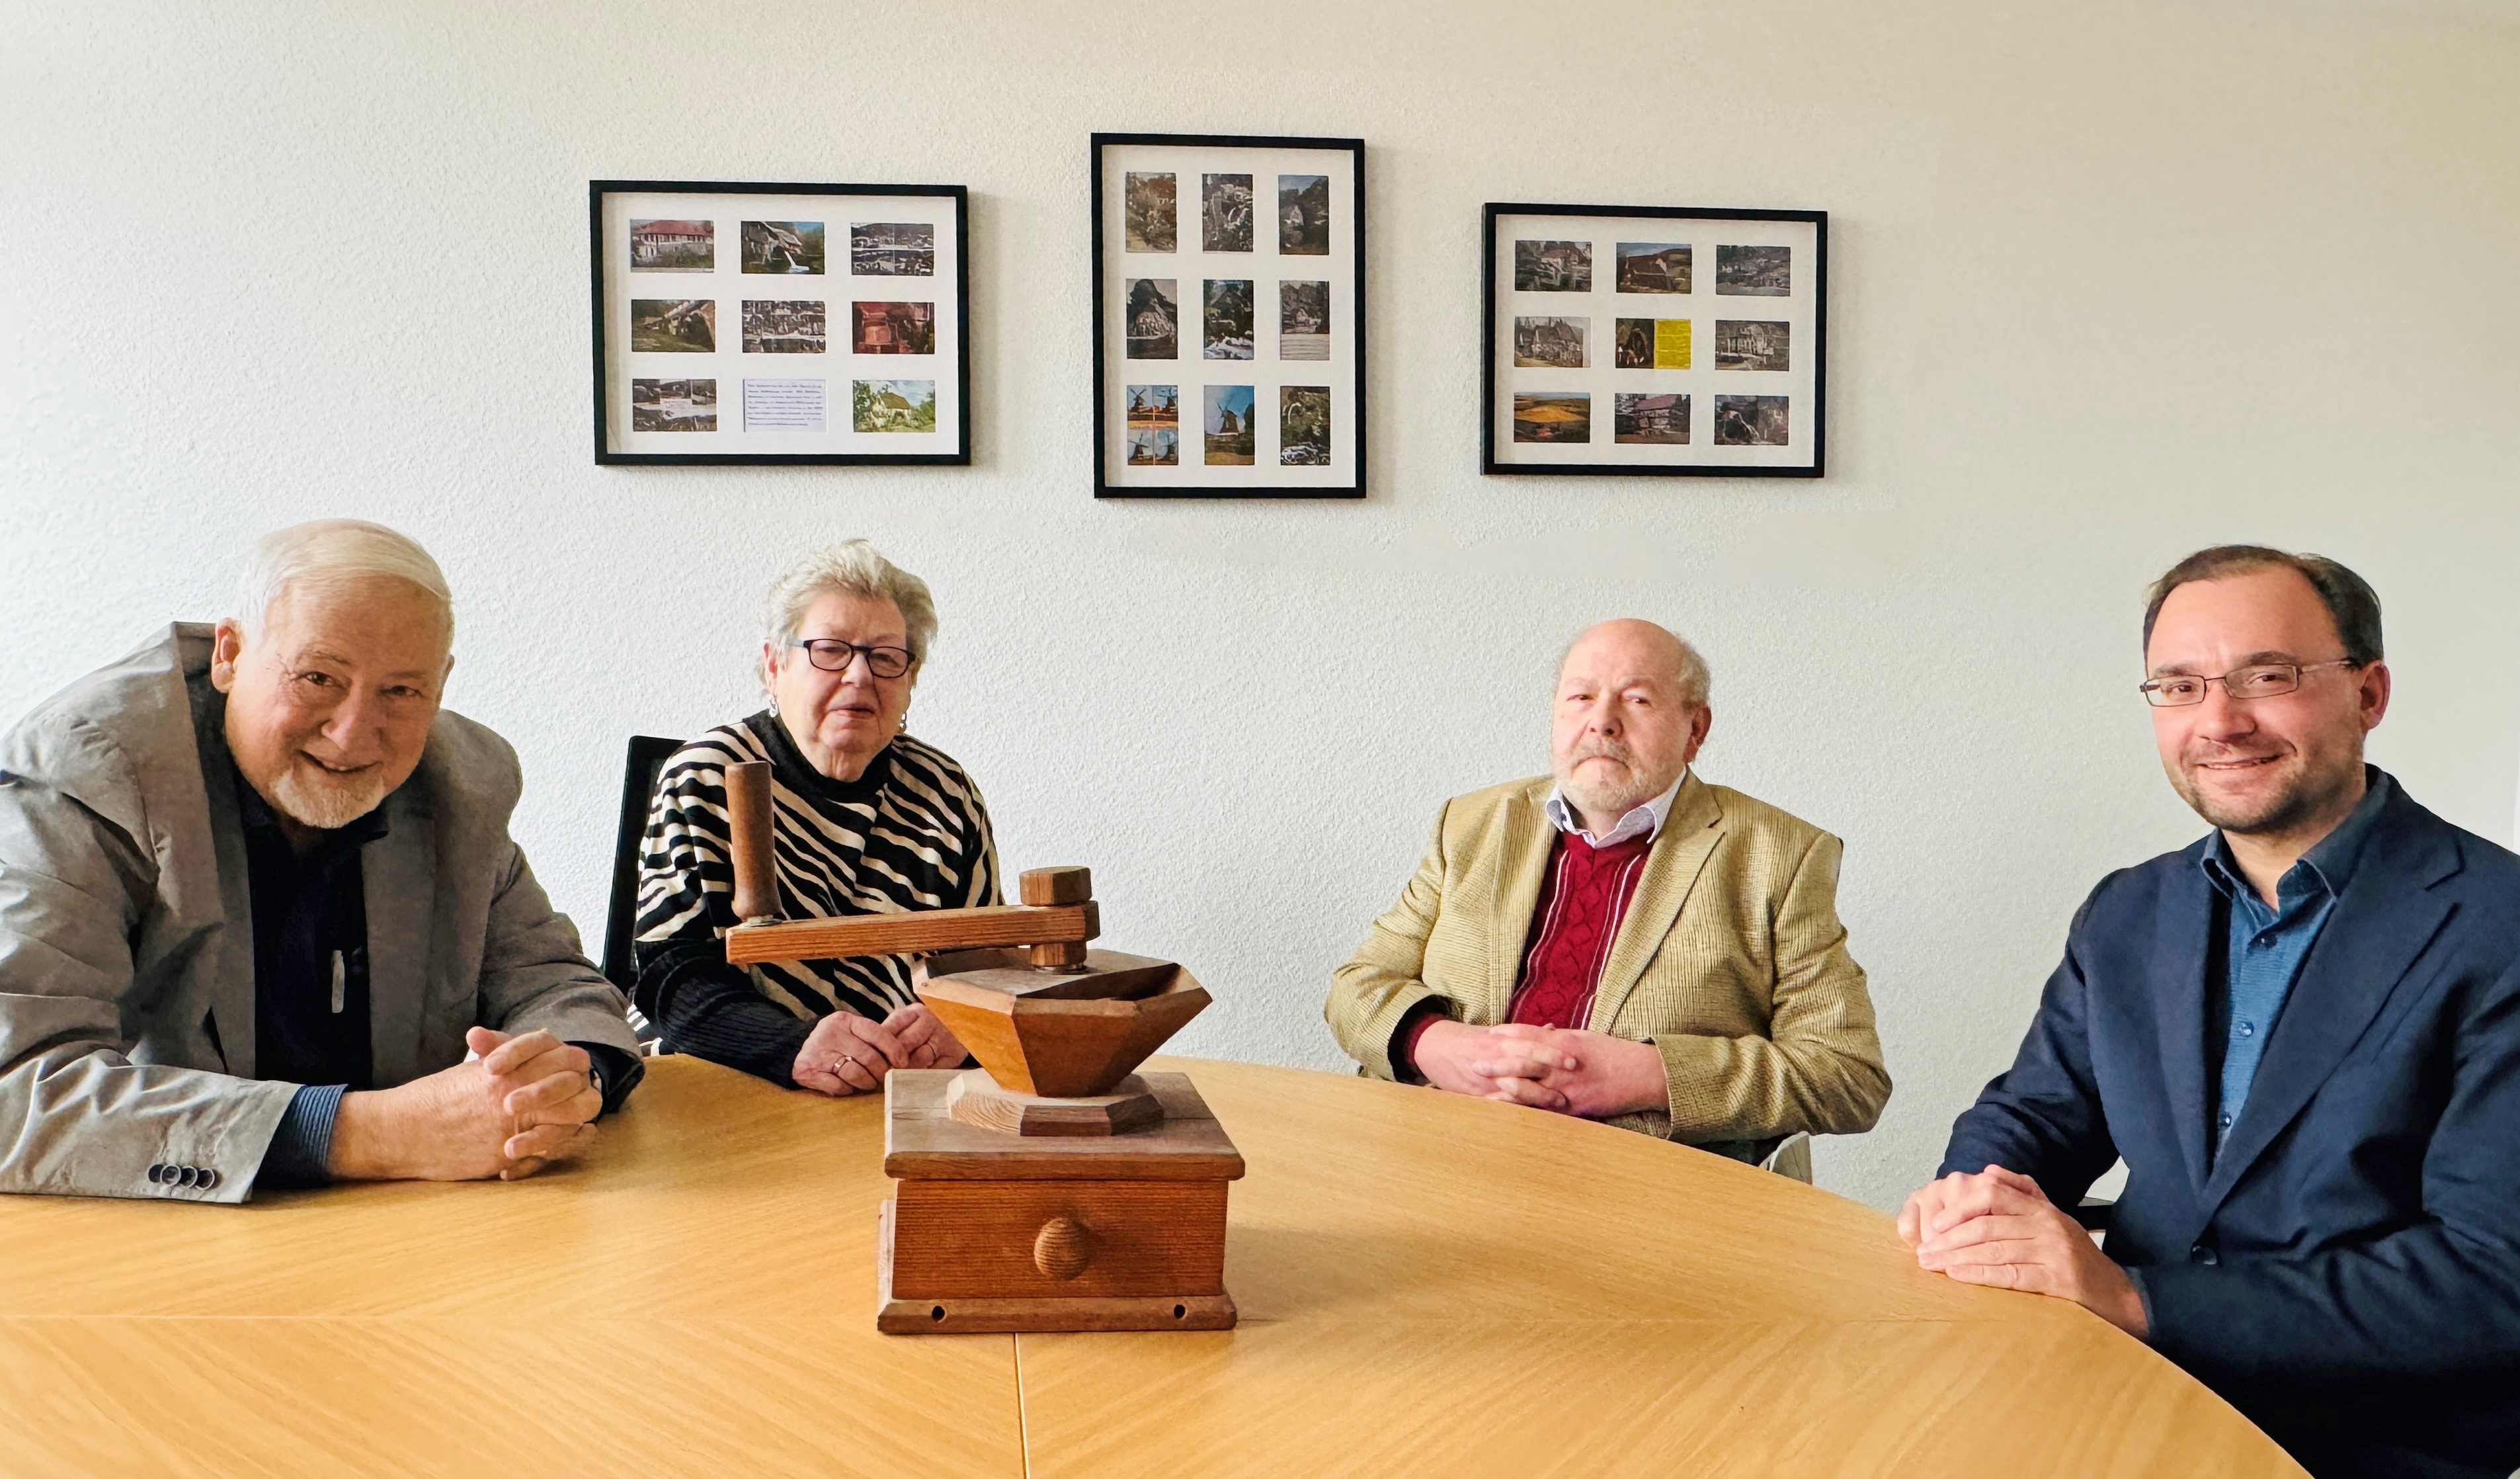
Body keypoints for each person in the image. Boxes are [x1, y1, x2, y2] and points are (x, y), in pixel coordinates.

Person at [1902, 546, 2520, 1478]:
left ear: (2368, 693)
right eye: (2179, 686)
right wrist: (1970, 1202)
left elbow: (2488, 1279)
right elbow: (2030, 1116)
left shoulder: (2494, 923)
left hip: (2370, 1442)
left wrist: (2137, 1301)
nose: (2219, 722)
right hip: (2110, 1400)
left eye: (2265, 677)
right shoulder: (2126, 912)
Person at [0, 520, 642, 1202]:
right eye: (317, 677)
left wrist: (565, 1078)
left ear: (441, 684)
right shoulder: (90, 772)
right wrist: (373, 1133)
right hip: (151, 1244)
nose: (353, 731)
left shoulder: (461, 780)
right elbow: (17, 1090)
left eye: (401, 692)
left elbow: (554, 983)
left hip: (403, 1230)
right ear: (230, 653)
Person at [1324, 619, 1890, 1160]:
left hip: (1643, 1197)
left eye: (1636, 699)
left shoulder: (1780, 855)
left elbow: (1845, 1075)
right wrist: (1437, 1045)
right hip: (1436, 1152)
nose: (1603, 722)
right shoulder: (1470, 824)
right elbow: (1356, 991)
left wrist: (1649, 1076)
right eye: (1580, 698)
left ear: (1695, 730)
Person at [634, 542, 996, 1096]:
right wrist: (790, 1045)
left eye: (885, 657)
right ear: (775, 665)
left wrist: (963, 1025)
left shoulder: (945, 794)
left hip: (895, 1094)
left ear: (909, 678)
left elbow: (986, 969)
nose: (859, 676)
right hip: (728, 1084)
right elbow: (669, 978)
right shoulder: (707, 776)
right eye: (830, 650)